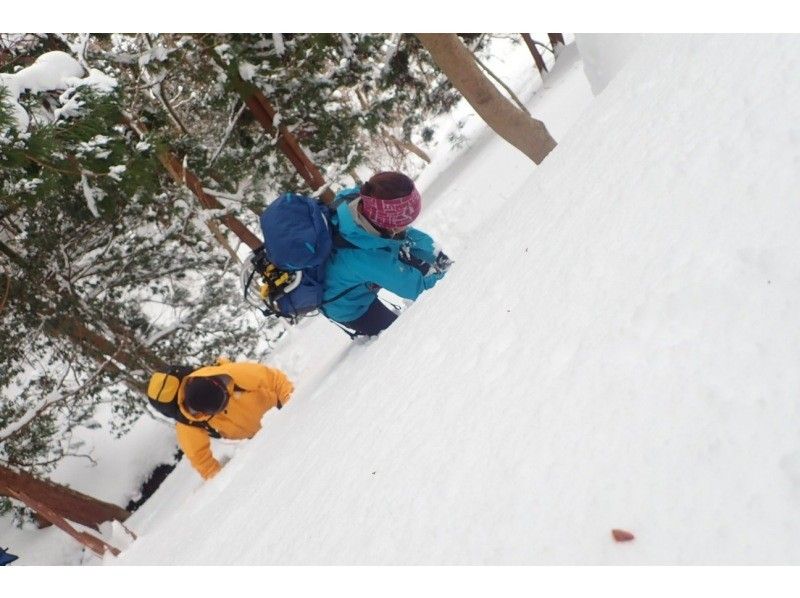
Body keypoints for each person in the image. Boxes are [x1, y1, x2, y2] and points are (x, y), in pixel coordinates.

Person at [321, 171, 452, 336]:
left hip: (358, 267)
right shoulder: (365, 257)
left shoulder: (361, 200)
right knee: (395, 333)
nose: (408, 226)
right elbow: (417, 287)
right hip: (348, 306)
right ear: (390, 225)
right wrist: (449, 277)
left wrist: (439, 256)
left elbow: (407, 236)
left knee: (400, 249)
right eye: (405, 222)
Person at [174, 359, 294, 480]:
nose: (225, 406)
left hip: (279, 409)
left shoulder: (233, 373)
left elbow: (274, 378)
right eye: (220, 409)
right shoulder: (190, 422)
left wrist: (292, 404)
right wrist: (217, 480)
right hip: (258, 438)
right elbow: (199, 457)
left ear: (219, 385)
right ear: (204, 413)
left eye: (225, 399)